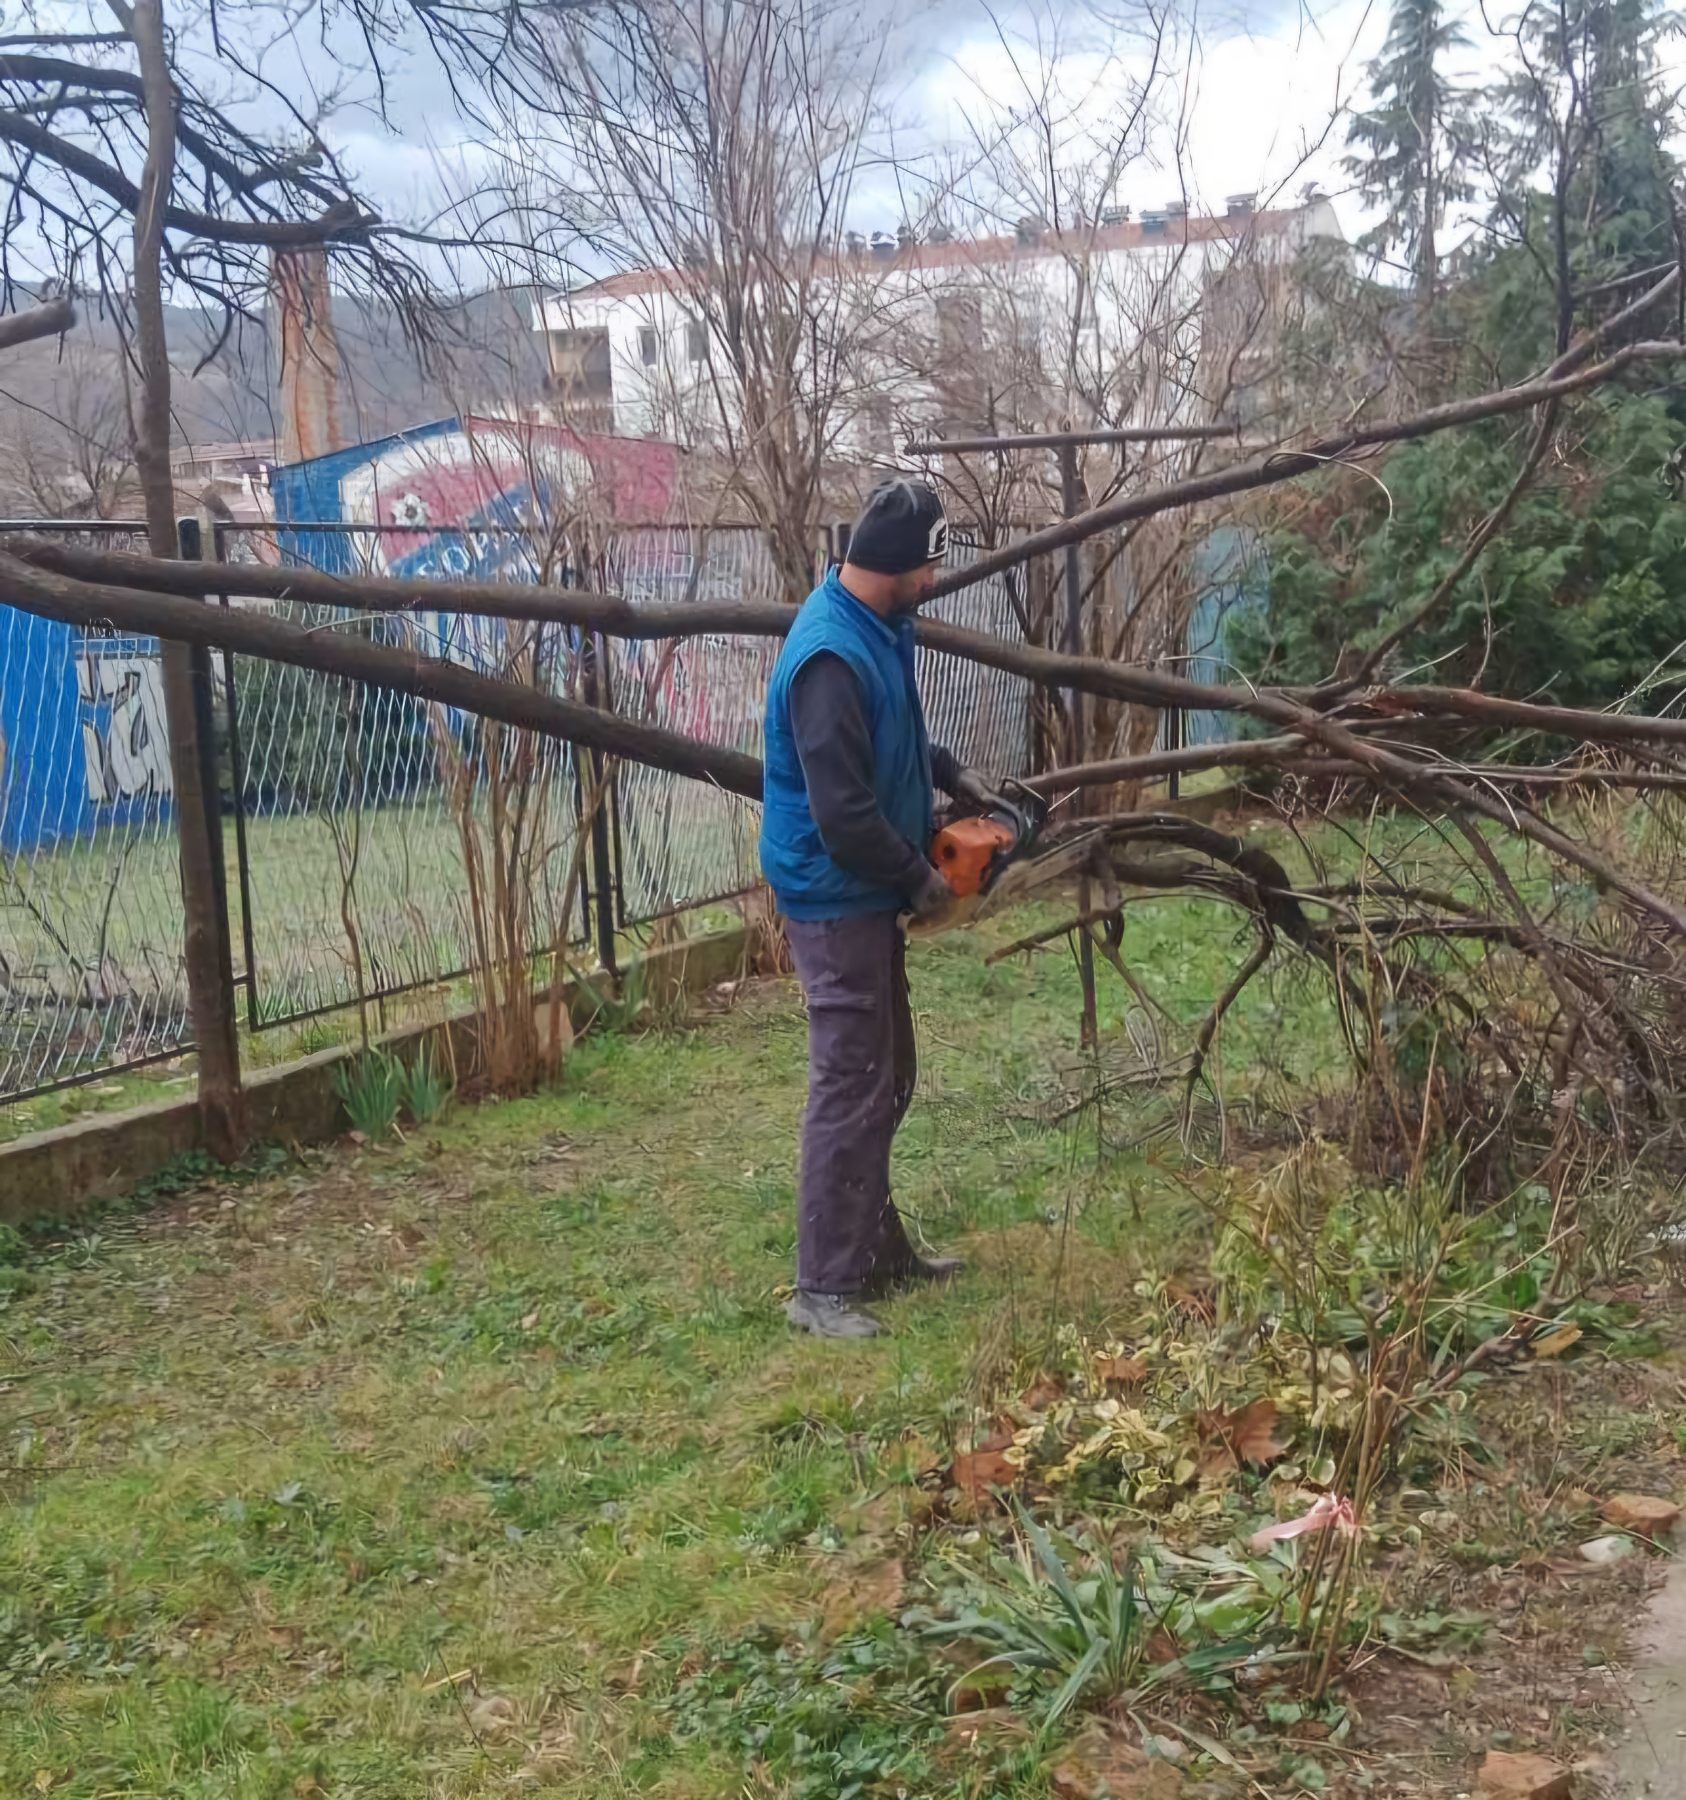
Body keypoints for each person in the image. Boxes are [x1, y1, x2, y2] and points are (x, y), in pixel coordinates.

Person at [760, 479, 1003, 1339]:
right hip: (835, 894)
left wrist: (949, 771)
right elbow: (844, 815)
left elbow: (892, 732)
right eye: (927, 567)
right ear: (894, 564)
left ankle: (873, 1251)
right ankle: (822, 1289)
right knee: (852, 1082)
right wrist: (919, 881)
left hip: (863, 886)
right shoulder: (829, 657)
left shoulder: (879, 626)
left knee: (888, 1075)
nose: (933, 582)